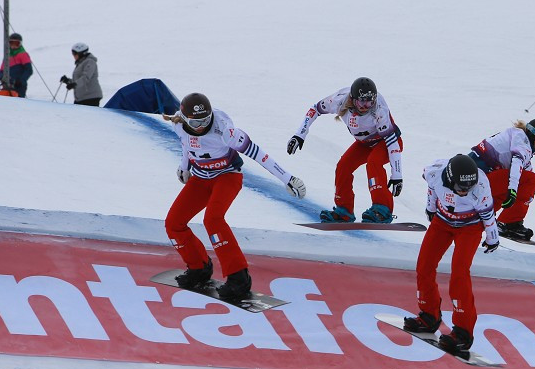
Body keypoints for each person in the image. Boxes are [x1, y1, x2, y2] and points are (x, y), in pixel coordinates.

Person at [165, 93, 306, 301]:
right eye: (195, 122)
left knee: (213, 220)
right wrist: (184, 167)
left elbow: (258, 153)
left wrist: (287, 178)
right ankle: (199, 268)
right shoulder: (179, 124)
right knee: (174, 223)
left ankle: (238, 278)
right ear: (185, 119)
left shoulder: (224, 129)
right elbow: (187, 144)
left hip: (227, 176)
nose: (202, 126)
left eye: (205, 120)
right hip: (201, 178)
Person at [404, 154, 499, 355]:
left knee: (459, 273)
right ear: (449, 178)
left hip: (470, 228)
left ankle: (463, 333)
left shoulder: (480, 185)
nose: (464, 192)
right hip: (442, 221)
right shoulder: (434, 172)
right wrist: (430, 208)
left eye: (468, 189)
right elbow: (431, 190)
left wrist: (492, 237)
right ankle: (429, 316)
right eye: (460, 188)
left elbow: (488, 214)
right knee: (424, 265)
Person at [287, 77, 403, 223]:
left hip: (387, 142)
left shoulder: (379, 108)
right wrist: (300, 134)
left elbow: (391, 141)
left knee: (373, 163)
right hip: (365, 144)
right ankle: (344, 210)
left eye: (370, 101)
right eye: (362, 101)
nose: (366, 106)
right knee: (343, 167)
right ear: (353, 99)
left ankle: (382, 210)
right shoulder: (340, 100)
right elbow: (315, 109)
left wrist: (397, 175)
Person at [468, 118, 535, 241]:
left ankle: (478, 218)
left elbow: (524, 169)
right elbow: (517, 163)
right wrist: (513, 190)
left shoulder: (517, 137)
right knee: (530, 180)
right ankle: (508, 223)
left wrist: (529, 192)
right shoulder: (522, 141)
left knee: (523, 183)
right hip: (476, 179)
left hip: (475, 180)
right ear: (533, 134)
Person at [0, 32, 32, 98]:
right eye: (11, 43)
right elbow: (1, 71)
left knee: (18, 101)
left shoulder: (23, 54)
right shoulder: (7, 55)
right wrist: (2, 78)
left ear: (20, 44)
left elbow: (29, 70)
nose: (13, 46)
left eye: (16, 44)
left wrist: (21, 80)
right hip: (7, 85)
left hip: (19, 85)